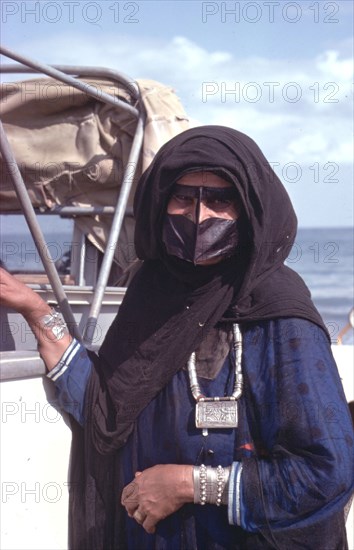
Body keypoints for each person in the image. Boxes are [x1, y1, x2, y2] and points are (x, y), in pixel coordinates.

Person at [1, 126, 353, 550]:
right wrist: (36, 313)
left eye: (221, 200)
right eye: (183, 198)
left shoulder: (278, 310)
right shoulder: (151, 294)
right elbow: (107, 413)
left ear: (249, 209)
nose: (199, 216)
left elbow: (324, 473)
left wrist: (189, 485)